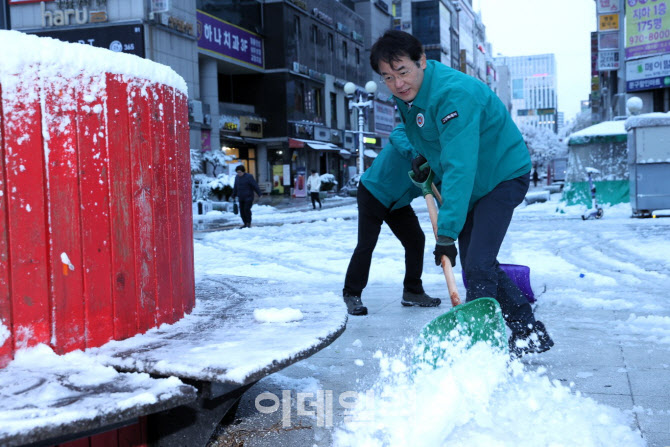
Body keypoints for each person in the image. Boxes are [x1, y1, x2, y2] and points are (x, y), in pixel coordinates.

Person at [369, 30, 553, 357]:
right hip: (472, 182)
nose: (397, 83)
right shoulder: (409, 98)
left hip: (502, 175)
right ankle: (528, 331)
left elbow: (460, 165)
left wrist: (446, 233)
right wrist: (420, 156)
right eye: (387, 77)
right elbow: (423, 135)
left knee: (478, 264)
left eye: (402, 72)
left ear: (422, 62)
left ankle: (481, 349)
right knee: (475, 263)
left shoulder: (454, 95)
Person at [342, 123, 441, 316]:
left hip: (398, 204)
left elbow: (441, 197)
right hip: (374, 191)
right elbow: (397, 133)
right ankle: (352, 293)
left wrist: (446, 233)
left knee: (415, 240)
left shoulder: (442, 161)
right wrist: (416, 155)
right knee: (366, 243)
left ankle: (412, 291)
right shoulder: (419, 126)